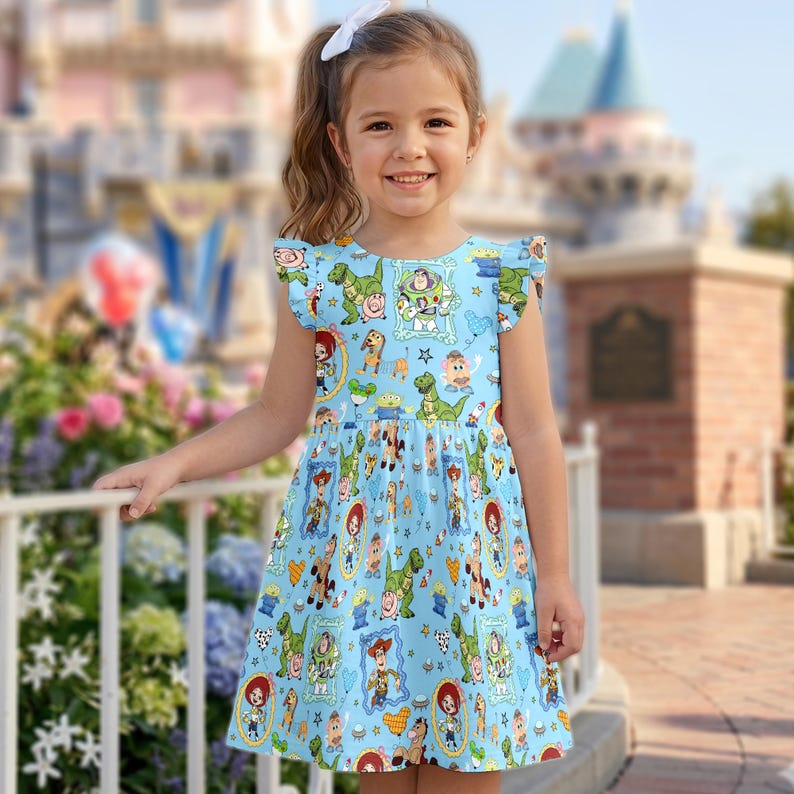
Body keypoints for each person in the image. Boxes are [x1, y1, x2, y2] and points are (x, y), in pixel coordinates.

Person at [92, 3, 585, 792]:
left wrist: (555, 577)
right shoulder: (317, 277)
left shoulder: (500, 276)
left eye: (435, 122)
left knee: (469, 776)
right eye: (380, 125)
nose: (410, 147)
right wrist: (174, 464)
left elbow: (532, 429)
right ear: (340, 142)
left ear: (476, 136)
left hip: (473, 578)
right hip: (362, 579)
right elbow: (275, 415)